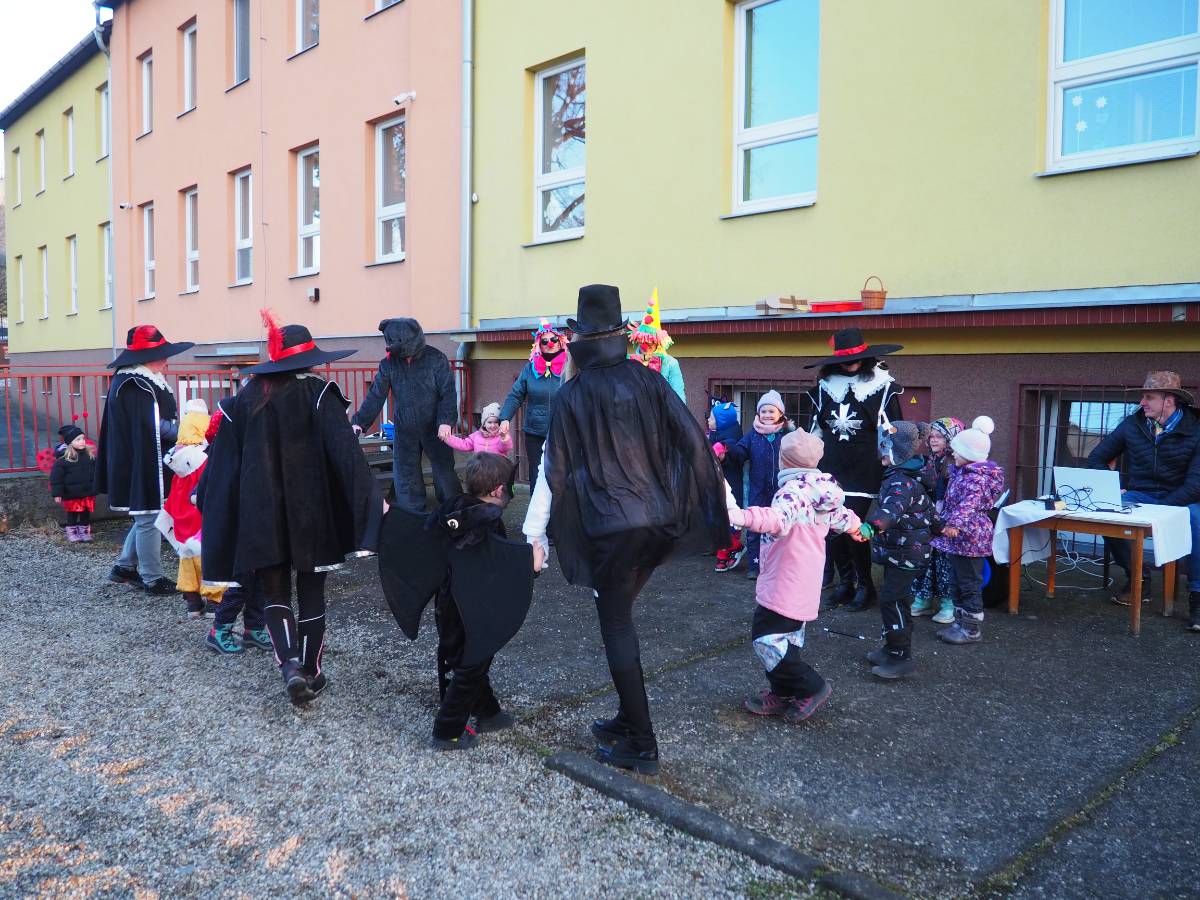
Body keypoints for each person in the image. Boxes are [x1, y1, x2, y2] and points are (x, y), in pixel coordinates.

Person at [523, 284, 729, 776]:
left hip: (610, 529)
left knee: (616, 623)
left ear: (580, 339)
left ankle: (642, 743)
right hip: (655, 522)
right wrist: (727, 504)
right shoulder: (647, 380)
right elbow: (693, 442)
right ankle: (626, 717)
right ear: (620, 334)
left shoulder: (571, 394)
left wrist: (534, 534)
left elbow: (552, 469)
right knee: (618, 613)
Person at [199, 313, 382, 704]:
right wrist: (371, 501)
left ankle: (290, 668)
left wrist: (208, 497)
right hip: (310, 513)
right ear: (309, 359)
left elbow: (223, 461)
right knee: (311, 591)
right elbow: (347, 456)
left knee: (275, 592)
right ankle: (312, 671)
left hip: (260, 513)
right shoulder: (319, 393)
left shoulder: (245, 398)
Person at [727, 430, 862, 721]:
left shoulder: (793, 492)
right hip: (805, 581)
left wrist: (741, 516)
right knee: (786, 640)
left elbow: (777, 519)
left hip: (785, 580)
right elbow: (843, 517)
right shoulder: (821, 491)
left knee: (766, 639)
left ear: (784, 460)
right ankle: (783, 691)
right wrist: (858, 528)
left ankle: (810, 686)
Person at [1087, 372, 1200, 631]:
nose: (1142, 403)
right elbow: (1096, 458)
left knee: (1196, 521)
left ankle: (1197, 596)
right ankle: (1138, 579)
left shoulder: (1196, 428)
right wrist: (1113, 487)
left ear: (1169, 400)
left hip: (1184, 496)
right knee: (1107, 513)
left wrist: (1159, 510)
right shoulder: (1132, 424)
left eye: (1149, 397)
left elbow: (1196, 485)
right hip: (1141, 493)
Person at [803, 328, 905, 612]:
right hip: (830, 468)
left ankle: (865, 586)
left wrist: (892, 464)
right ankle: (845, 583)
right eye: (844, 360)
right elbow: (815, 431)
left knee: (854, 528)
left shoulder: (882, 387)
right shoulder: (824, 389)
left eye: (854, 358)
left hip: (864, 468)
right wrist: (808, 465)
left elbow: (893, 431)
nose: (850, 364)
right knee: (831, 528)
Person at [95, 325, 195, 595]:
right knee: (149, 517)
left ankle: (125, 567)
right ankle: (153, 578)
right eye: (161, 354)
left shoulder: (140, 379)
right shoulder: (135, 384)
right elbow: (152, 425)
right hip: (142, 459)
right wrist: (185, 433)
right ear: (145, 357)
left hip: (147, 455)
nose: (166, 360)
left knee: (148, 515)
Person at [351, 318, 460, 513]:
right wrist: (359, 422)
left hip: (436, 427)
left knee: (445, 472)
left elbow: (448, 393)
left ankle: (454, 510)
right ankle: (412, 514)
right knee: (406, 474)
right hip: (405, 428)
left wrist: (445, 421)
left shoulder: (436, 358)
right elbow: (376, 395)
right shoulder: (389, 364)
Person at [859, 422, 938, 679]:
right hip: (901, 551)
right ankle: (890, 647)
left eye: (884, 447)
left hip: (907, 553)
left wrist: (871, 527)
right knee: (893, 599)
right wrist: (942, 526)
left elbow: (891, 511)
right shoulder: (907, 476)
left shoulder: (901, 482)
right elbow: (927, 509)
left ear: (897, 451)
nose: (880, 453)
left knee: (893, 600)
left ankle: (900, 655)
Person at [931, 416, 1006, 645]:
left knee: (969, 583)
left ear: (970, 454)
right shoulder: (961, 473)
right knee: (956, 581)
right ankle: (959, 623)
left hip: (970, 537)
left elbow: (968, 506)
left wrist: (953, 525)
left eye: (957, 450)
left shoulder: (976, 479)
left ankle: (971, 629)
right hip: (959, 539)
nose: (953, 453)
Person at [156, 399, 225, 619]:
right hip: (201, 515)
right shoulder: (204, 459)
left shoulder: (177, 458)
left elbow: (176, 491)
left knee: (186, 556)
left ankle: (193, 602)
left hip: (181, 515)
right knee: (211, 556)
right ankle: (214, 601)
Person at [715, 391, 794, 579]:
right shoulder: (752, 435)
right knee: (755, 525)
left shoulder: (788, 435)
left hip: (782, 491)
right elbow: (740, 452)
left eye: (771, 411)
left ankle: (778, 564)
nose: (767, 415)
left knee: (780, 526)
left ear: (780, 413)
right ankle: (755, 564)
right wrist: (726, 452)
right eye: (763, 411)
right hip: (758, 489)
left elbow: (800, 455)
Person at [499, 319, 565, 491]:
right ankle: (536, 506)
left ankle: (560, 507)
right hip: (536, 432)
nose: (550, 343)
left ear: (560, 341)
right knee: (537, 474)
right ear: (539, 345)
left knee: (562, 474)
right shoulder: (530, 368)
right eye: (544, 341)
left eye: (553, 339)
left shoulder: (570, 366)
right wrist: (504, 418)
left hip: (563, 431)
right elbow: (515, 395)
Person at [911, 416, 966, 624]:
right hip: (926, 517)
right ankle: (923, 599)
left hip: (946, 521)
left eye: (939, 436)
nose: (933, 440)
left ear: (951, 439)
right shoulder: (927, 460)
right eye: (931, 436)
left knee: (944, 563)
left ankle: (947, 604)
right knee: (924, 559)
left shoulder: (955, 464)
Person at [627, 288, 685, 403]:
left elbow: (679, 398)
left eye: (650, 342)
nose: (646, 346)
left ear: (658, 342)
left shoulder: (670, 363)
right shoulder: (629, 361)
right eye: (643, 341)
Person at [708, 399, 746, 572]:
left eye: (712, 418)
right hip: (718, 485)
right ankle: (729, 549)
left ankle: (730, 551)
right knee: (719, 520)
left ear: (721, 421)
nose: (708, 420)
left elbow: (729, 449)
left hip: (730, 487)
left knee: (729, 521)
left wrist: (721, 450)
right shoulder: (716, 434)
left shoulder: (729, 438)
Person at [50, 421, 97, 543]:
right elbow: (56, 478)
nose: (82, 441)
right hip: (71, 493)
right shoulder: (62, 460)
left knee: (86, 513)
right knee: (72, 513)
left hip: (87, 492)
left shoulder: (89, 456)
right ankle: (72, 532)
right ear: (70, 442)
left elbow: (97, 471)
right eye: (78, 439)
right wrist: (57, 493)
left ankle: (84, 532)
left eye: (83, 439)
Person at [440, 402, 514, 458]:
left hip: (497, 469)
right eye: (489, 422)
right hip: (480, 468)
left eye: (496, 422)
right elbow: (464, 444)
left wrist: (504, 438)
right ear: (484, 424)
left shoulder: (501, 436)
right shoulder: (476, 435)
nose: (493, 425)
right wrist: (447, 438)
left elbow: (505, 447)